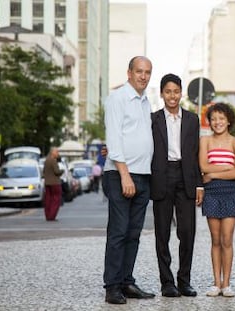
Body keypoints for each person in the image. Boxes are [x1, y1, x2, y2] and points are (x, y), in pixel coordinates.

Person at [102, 56, 155, 304]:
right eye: (139, 71)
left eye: (147, 72)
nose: (143, 76)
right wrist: (124, 174)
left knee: (134, 233)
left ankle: (126, 281)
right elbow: (113, 140)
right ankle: (112, 286)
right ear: (129, 73)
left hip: (143, 175)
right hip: (121, 174)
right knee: (119, 232)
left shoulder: (146, 102)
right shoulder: (118, 99)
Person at [150, 73, 204, 298]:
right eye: (168, 91)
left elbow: (196, 153)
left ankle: (184, 281)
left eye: (176, 91)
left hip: (186, 177)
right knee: (162, 234)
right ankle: (167, 283)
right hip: (162, 177)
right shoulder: (153, 119)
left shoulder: (192, 119)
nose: (172, 96)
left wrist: (200, 184)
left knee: (187, 232)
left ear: (181, 93)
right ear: (162, 94)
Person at [199, 103, 235, 297]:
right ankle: (216, 283)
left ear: (228, 120)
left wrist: (214, 173)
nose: (218, 122)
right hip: (211, 193)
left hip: (230, 192)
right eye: (214, 118)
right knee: (215, 240)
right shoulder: (205, 141)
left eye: (221, 118)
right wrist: (226, 168)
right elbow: (202, 166)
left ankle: (227, 284)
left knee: (227, 240)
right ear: (210, 122)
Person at [43, 147, 64, 221]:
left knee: (48, 199)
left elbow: (44, 171)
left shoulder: (46, 160)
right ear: (53, 153)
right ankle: (52, 216)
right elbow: (57, 172)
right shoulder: (53, 160)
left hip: (47, 182)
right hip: (55, 183)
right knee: (56, 199)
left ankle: (48, 216)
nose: (58, 154)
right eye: (57, 152)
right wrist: (62, 171)